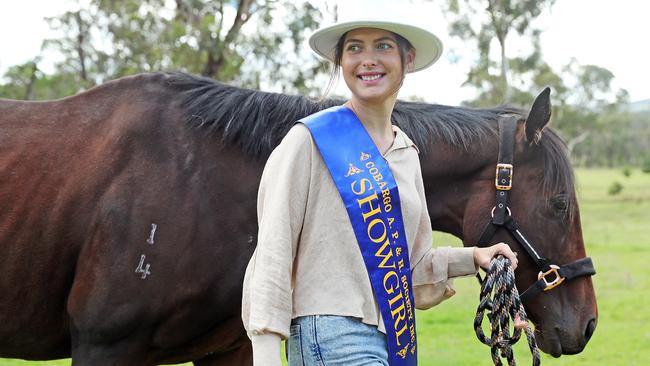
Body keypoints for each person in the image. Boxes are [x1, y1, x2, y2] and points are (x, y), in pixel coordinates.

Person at [241, 15, 519, 366]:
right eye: (355, 48)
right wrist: (265, 349)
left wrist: (473, 257)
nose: (367, 59)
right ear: (341, 61)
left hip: (389, 336)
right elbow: (273, 247)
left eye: (383, 46)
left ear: (408, 59)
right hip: (328, 331)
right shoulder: (310, 140)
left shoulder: (406, 154)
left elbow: (412, 268)